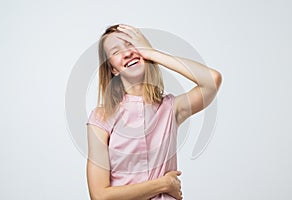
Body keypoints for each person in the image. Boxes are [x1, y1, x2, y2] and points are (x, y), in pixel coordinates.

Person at [86, 24, 222, 200]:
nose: (127, 53)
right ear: (113, 69)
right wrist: (163, 184)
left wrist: (152, 53)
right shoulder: (101, 118)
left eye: (131, 45)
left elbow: (213, 80)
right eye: (116, 51)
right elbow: (99, 196)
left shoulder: (171, 108)